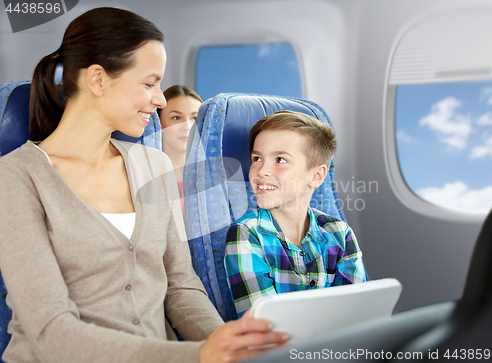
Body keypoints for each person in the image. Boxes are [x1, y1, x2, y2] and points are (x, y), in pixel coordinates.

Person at [0, 7, 288, 363]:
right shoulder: (16, 176)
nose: (161, 99)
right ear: (98, 79)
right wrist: (199, 355)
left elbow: (181, 287)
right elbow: (51, 332)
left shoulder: (153, 165)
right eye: (150, 82)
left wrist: (228, 347)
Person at [224, 110, 368, 317]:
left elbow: (356, 313)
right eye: (257, 158)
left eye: (280, 160)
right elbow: (264, 325)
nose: (262, 170)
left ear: (316, 176)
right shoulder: (246, 234)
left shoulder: (340, 233)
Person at [158, 85, 203, 211]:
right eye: (176, 118)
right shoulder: (143, 176)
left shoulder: (213, 177)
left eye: (195, 118)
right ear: (159, 122)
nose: (187, 126)